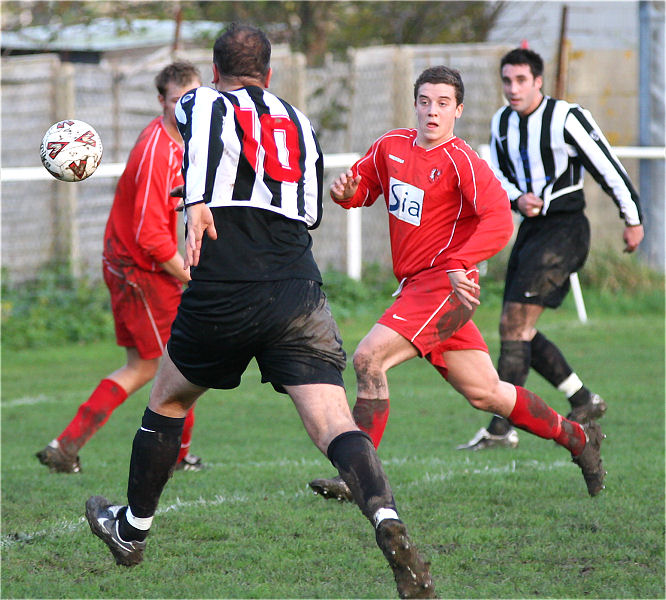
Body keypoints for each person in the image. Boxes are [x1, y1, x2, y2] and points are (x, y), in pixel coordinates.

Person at [83, 24, 435, 599]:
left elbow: (195, 138)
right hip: (298, 286)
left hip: (226, 282)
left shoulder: (201, 101)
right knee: (334, 423)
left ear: (214, 71)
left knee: (168, 397)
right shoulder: (299, 122)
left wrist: (196, 201)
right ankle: (386, 519)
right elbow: (307, 210)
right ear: (269, 74)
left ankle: (132, 528)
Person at [308, 65, 605, 504]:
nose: (432, 111)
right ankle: (579, 439)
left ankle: (358, 476)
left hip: (445, 288)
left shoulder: (462, 159)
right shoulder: (391, 146)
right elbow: (362, 189)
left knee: (369, 358)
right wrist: (344, 192)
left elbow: (500, 220)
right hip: (418, 290)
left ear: (458, 110)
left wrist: (460, 261)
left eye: (443, 104)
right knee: (488, 393)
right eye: (425, 101)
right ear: (415, 104)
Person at [457, 47, 644, 451]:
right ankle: (582, 399)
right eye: (507, 80)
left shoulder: (566, 117)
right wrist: (517, 199)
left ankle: (501, 429)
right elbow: (497, 178)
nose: (513, 88)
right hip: (531, 231)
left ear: (538, 81)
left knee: (513, 325)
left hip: (566, 229)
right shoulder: (502, 123)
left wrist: (632, 218)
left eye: (521, 80)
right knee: (517, 328)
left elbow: (606, 164)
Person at [36, 62, 204, 474]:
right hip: (142, 272)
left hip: (133, 267)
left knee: (150, 365)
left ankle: (68, 446)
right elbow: (150, 237)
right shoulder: (157, 154)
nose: (187, 107)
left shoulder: (182, 140)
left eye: (194, 98)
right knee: (175, 366)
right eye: (178, 100)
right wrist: (192, 277)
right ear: (161, 101)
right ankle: (170, 456)